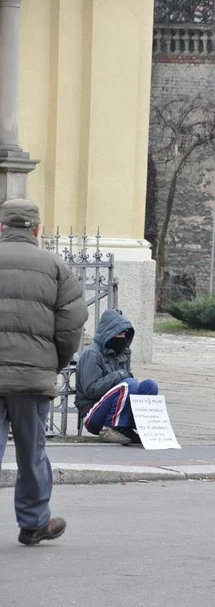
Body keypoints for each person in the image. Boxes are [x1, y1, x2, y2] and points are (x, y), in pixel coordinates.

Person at [0, 199, 88, 545]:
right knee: (31, 453)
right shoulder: (56, 268)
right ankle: (34, 522)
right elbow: (71, 326)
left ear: (2, 227)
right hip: (32, 379)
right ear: (37, 229)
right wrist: (52, 363)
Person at [75, 309, 159, 444]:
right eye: (119, 333)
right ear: (109, 333)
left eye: (125, 333)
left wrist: (123, 378)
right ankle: (109, 430)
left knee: (150, 385)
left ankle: (137, 428)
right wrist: (118, 376)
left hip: (114, 407)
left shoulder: (123, 353)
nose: (122, 337)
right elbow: (90, 390)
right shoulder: (92, 354)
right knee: (129, 383)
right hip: (92, 412)